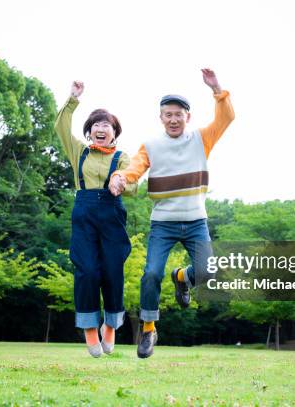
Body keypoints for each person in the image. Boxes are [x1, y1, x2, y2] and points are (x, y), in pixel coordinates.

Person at [109, 68, 234, 358]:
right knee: (151, 273)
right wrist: (121, 178)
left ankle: (183, 277)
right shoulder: (151, 145)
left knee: (207, 271)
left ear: (187, 117)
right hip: (163, 225)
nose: (174, 119)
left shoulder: (202, 139)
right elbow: (135, 167)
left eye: (179, 114)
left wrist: (217, 89)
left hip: (195, 221)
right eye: (168, 114)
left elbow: (226, 118)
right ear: (161, 117)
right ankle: (149, 329)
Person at [54, 81, 137, 357]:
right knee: (87, 270)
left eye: (106, 125)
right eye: (95, 125)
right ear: (89, 132)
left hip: (112, 214)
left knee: (113, 271)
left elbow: (133, 179)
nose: (100, 129)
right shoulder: (80, 151)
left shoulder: (123, 157)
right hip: (85, 214)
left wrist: (120, 181)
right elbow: (61, 126)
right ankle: (90, 328)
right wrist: (72, 99)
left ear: (115, 132)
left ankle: (110, 326)